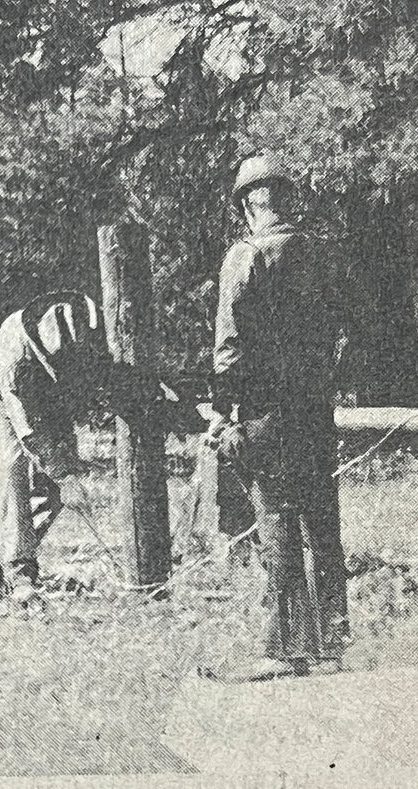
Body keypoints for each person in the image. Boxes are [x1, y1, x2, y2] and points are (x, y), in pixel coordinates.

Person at [204, 153, 348, 682]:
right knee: (322, 523)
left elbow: (230, 349)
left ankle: (285, 650)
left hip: (266, 413)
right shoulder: (322, 255)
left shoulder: (243, 258)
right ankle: (333, 640)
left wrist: (222, 415)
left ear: (247, 205)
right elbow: (344, 333)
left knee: (278, 524)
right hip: (314, 410)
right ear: (289, 199)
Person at [0, 291, 113, 602]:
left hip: (50, 406)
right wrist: (66, 476)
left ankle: (15, 544)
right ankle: (19, 570)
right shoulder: (14, 351)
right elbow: (27, 428)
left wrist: (66, 475)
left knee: (54, 490)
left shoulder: (87, 328)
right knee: (13, 466)